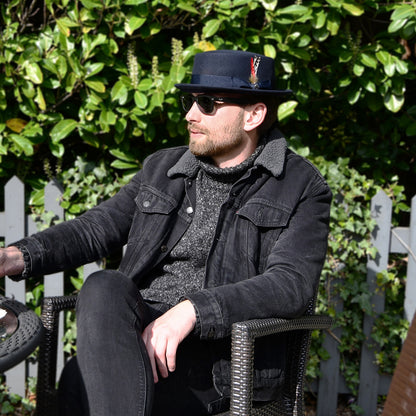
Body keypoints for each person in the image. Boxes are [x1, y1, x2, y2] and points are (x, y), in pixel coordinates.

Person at [0, 50, 332, 415]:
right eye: (190, 101)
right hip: (136, 342)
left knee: (79, 386)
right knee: (103, 287)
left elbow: (291, 284)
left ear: (254, 115)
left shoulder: (299, 186)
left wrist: (192, 310)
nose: (190, 115)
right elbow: (95, 228)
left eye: (207, 104)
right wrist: (14, 256)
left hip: (219, 365)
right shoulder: (162, 168)